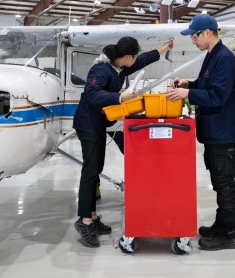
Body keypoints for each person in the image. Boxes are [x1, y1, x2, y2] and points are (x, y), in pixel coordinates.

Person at [73, 36, 174, 248]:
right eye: (133, 56)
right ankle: (84, 221)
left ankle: (91, 216)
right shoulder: (101, 69)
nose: (134, 60)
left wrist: (160, 50)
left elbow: (141, 61)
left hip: (99, 124)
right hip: (88, 124)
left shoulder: (118, 66)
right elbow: (92, 94)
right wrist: (120, 98)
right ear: (126, 56)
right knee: (91, 171)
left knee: (96, 168)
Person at [165, 13, 235, 251]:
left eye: (195, 36)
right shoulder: (212, 56)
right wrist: (190, 84)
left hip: (221, 132)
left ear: (208, 33)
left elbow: (218, 95)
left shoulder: (224, 58)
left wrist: (188, 95)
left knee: (225, 183)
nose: (193, 40)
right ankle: (220, 225)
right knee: (219, 183)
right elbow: (206, 84)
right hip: (212, 132)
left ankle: (227, 235)